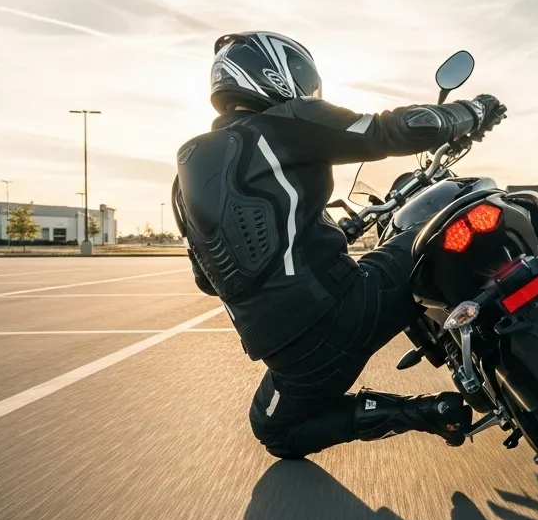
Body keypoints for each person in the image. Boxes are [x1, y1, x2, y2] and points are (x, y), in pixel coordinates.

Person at [171, 31, 507, 459]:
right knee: (468, 216)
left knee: (274, 432)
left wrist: (321, 238)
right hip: (347, 309)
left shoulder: (182, 179)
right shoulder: (284, 121)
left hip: (292, 358)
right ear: (272, 73)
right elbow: (391, 129)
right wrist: (473, 111)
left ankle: (425, 414)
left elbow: (208, 279)